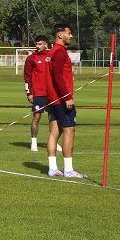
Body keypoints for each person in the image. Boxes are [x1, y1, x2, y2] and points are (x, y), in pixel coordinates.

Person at [45, 24, 84, 178]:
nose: (71, 36)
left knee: (54, 133)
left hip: (52, 99)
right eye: (69, 33)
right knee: (69, 132)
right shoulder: (59, 52)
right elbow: (58, 76)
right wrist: (67, 97)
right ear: (60, 35)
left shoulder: (51, 52)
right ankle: (68, 170)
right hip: (61, 99)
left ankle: (53, 169)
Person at [23, 35, 50, 151]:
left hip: (51, 93)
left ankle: (53, 141)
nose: (37, 46)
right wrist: (29, 93)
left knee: (53, 118)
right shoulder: (31, 58)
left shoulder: (51, 56)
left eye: (40, 44)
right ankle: (34, 141)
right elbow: (27, 77)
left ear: (46, 45)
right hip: (38, 93)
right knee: (36, 117)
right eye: (36, 44)